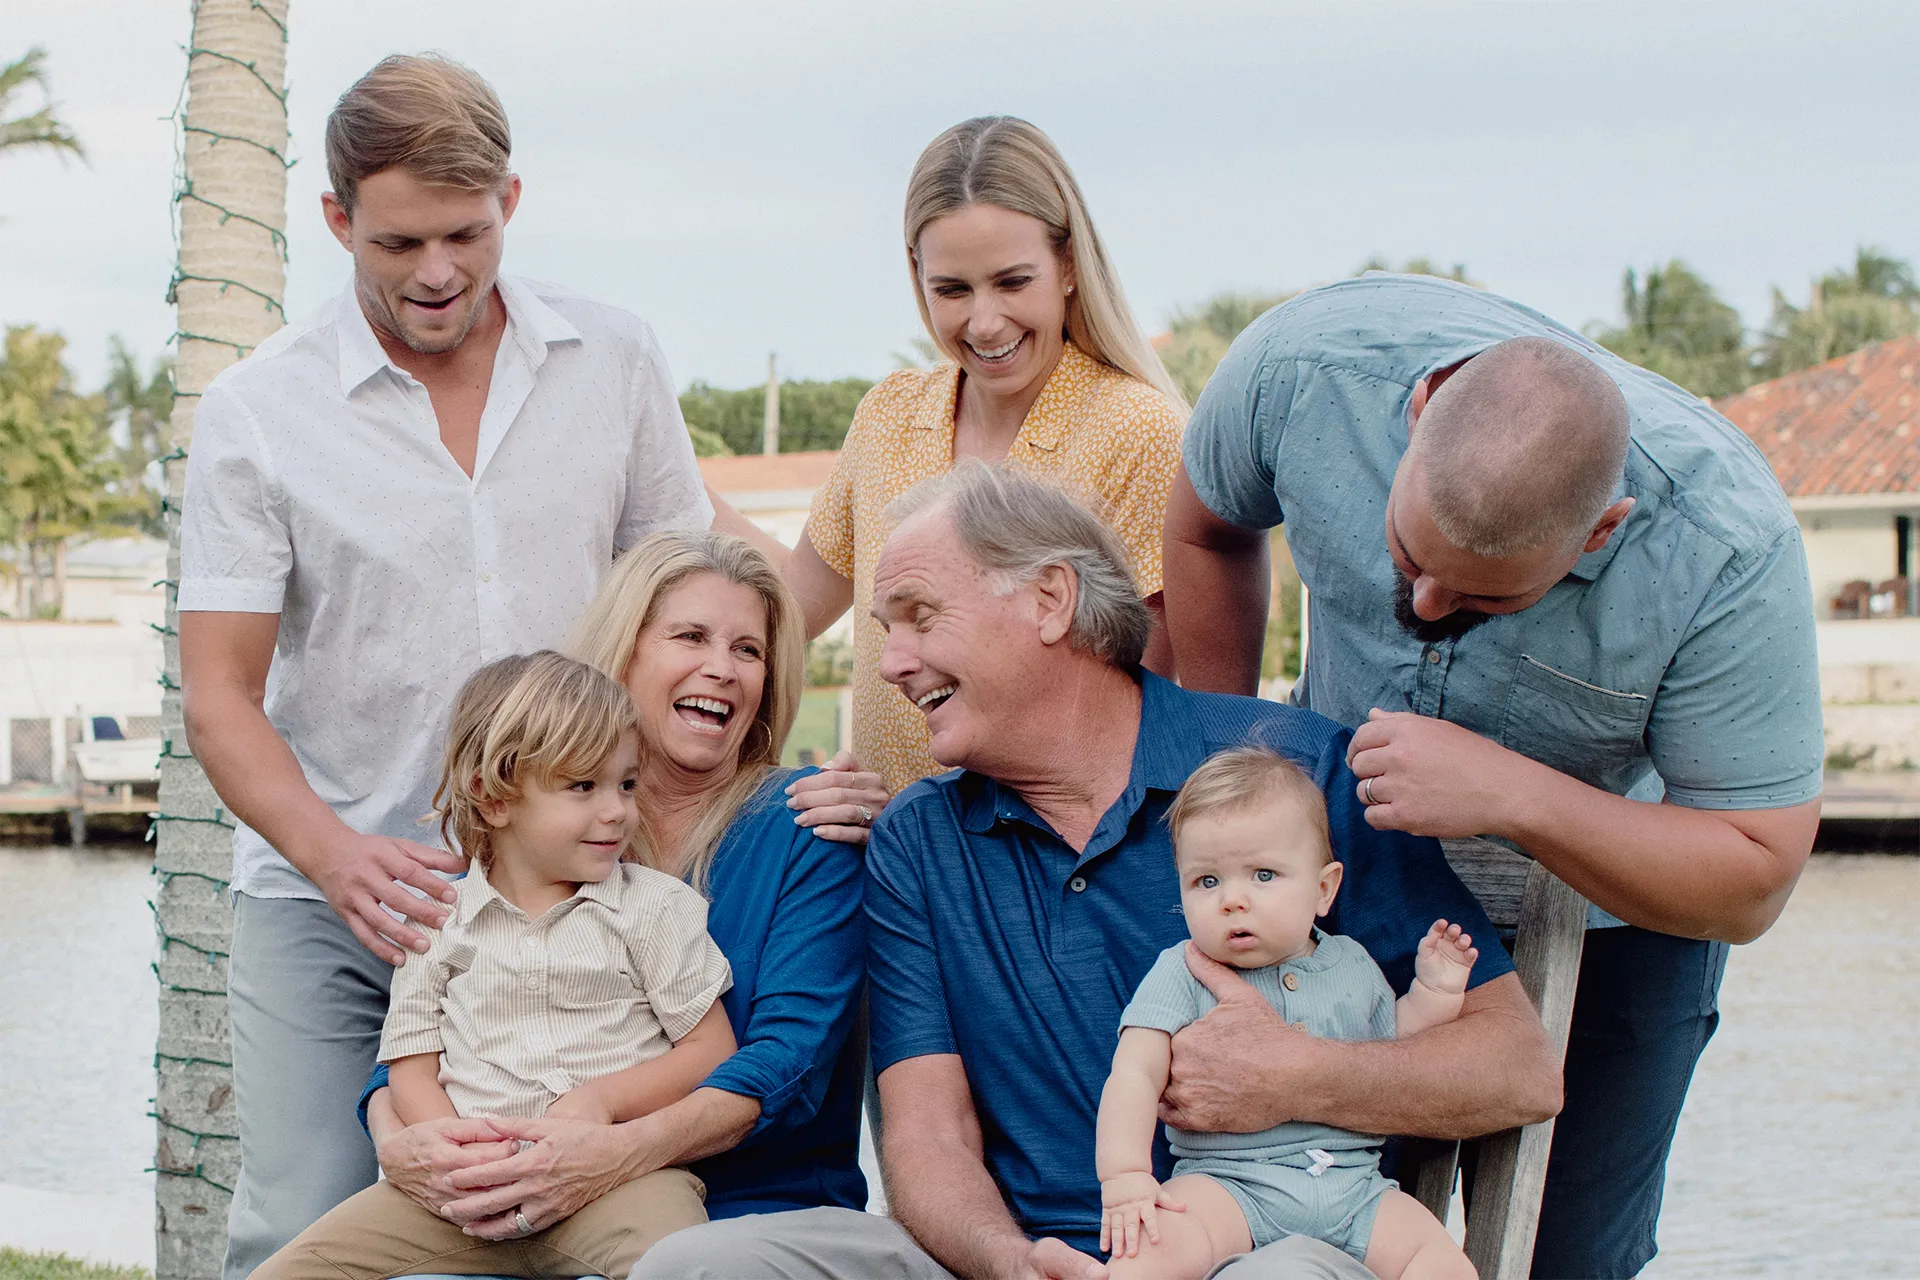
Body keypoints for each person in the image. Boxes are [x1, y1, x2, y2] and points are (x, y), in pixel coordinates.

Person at [176, 56, 877, 1275]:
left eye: (467, 231)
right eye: (399, 242)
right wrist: (342, 862)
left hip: (568, 889)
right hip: (338, 884)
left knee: (558, 1208)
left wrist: (874, 695)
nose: (439, 271)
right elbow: (218, 692)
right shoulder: (257, 412)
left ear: (512, 197)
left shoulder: (610, 359)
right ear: (338, 218)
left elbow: (700, 581)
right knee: (306, 1215)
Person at [632, 465, 1559, 1280]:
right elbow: (928, 1140)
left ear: (1050, 601)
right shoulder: (919, 841)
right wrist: (1009, 1262)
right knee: (703, 1265)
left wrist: (1300, 1078)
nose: (892, 663)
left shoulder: (1295, 774)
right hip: (1016, 1257)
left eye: (918, 617)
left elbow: (1516, 1068)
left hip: (1269, 1242)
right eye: (885, 630)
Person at [1162, 273, 1825, 1277]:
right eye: (1405, 552)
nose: (1424, 602)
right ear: (1418, 414)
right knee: (1287, 1221)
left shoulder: (1727, 549)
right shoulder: (1302, 370)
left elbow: (1756, 874)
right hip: (1339, 892)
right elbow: (1210, 524)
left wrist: (1510, 794)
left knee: (1572, 1255)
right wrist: (1225, 782)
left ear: (1600, 530)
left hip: (1622, 927)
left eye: (1481, 595)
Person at [358, 533, 869, 1247]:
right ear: (621, 652)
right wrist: (394, 1137)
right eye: (690, 636)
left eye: (749, 651)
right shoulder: (535, 827)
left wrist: (613, 1150)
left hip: (754, 1209)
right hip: (510, 1200)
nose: (721, 669)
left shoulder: (807, 828)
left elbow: (788, 1064)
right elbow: (440, 1037)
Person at [256, 651, 735, 1279]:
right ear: (494, 797)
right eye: (583, 786)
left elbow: (711, 1049)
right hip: (459, 1197)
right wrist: (456, 1156)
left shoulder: (654, 908)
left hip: (617, 1184)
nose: (617, 810)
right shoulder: (437, 921)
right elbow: (411, 1069)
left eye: (625, 783)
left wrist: (600, 1102)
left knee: (690, 1269)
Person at [783, 115, 1189, 795]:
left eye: (1011, 282)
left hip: (1044, 869)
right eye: (952, 290)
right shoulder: (887, 414)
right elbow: (787, 612)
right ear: (917, 278)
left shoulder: (1140, 432)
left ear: (1067, 265)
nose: (985, 322)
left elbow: (1138, 707)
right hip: (882, 862)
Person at [1097, 747, 1476, 1280]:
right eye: (1207, 881)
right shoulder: (1181, 971)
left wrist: (1436, 991)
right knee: (1154, 1244)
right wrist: (1126, 1175)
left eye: (1264, 874)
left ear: (1323, 889)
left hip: (1354, 1190)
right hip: (1228, 1185)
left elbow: (1395, 1040)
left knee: (1440, 1262)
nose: (1233, 899)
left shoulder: (1350, 964)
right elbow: (1134, 1072)